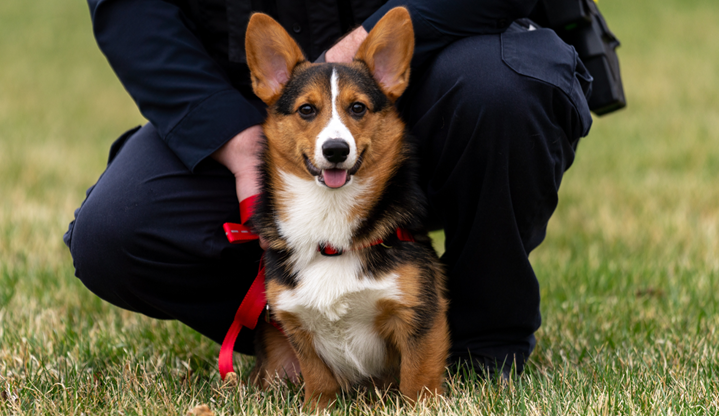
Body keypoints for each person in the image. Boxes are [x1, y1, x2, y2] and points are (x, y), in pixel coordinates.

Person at [66, 0, 592, 378]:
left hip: (437, 70)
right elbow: (131, 12)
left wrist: (360, 49)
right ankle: (308, 339)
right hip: (244, 102)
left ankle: (480, 341)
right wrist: (233, 137)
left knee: (503, 92)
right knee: (115, 229)